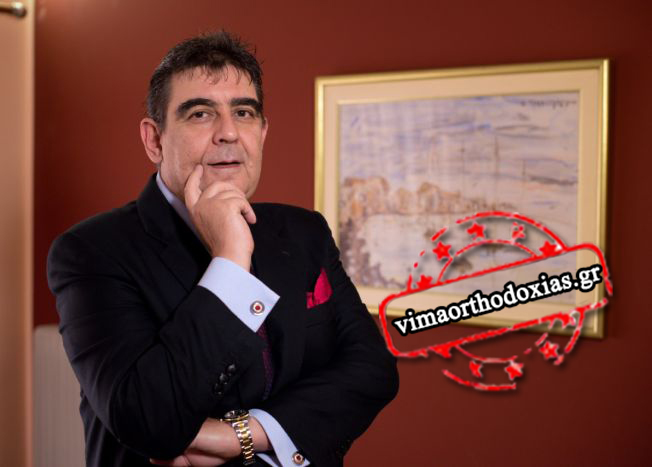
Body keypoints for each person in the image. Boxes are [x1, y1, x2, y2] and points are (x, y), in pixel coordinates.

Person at [47, 31, 398, 467]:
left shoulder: (304, 231)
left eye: (244, 113)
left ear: (262, 132)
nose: (228, 133)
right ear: (154, 140)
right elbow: (147, 418)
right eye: (200, 114)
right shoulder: (91, 252)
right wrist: (230, 260)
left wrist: (241, 436)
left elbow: (373, 371)